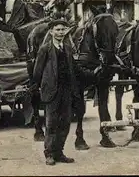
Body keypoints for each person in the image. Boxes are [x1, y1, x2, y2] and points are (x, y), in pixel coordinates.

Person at [32, 18, 78, 165]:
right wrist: (39, 88)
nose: (60, 32)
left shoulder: (68, 48)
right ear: (51, 31)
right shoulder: (45, 49)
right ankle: (49, 153)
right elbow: (37, 71)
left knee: (65, 123)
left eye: (63, 30)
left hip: (66, 91)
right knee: (51, 123)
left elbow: (74, 69)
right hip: (52, 92)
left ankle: (59, 152)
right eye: (57, 30)